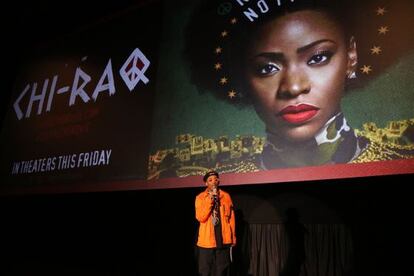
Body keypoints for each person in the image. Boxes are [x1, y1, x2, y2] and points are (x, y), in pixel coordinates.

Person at [183, 0, 414, 171]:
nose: (293, 87)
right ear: (244, 78)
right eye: (266, 68)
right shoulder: (218, 181)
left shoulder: (401, 161)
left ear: (351, 56)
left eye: (318, 57)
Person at [195, 170, 236, 276]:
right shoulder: (200, 198)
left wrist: (233, 237)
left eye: (216, 179)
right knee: (205, 271)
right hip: (206, 242)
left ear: (218, 182)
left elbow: (231, 219)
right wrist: (210, 199)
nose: (213, 182)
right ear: (206, 183)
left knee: (221, 271)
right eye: (210, 180)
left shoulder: (226, 196)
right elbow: (201, 217)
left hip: (223, 240)